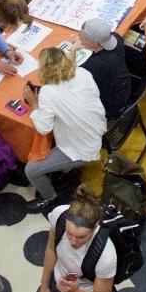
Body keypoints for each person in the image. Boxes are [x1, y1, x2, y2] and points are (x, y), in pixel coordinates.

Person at [23, 49, 107, 214]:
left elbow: (43, 128)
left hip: (81, 150)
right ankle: (64, 171)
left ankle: (49, 197)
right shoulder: (83, 73)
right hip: (97, 131)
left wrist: (34, 105)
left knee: (31, 170)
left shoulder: (48, 92)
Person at [77, 18, 131, 119]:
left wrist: (73, 50)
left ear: (94, 43)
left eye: (81, 37)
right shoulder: (116, 38)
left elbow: (70, 73)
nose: (79, 38)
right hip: (124, 89)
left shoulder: (95, 65)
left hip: (110, 106)